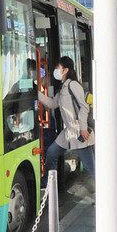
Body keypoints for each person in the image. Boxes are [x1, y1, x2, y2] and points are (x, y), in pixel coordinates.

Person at [37, 56, 95, 186]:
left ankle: (105, 196)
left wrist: (83, 127)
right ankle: (48, 183)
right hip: (69, 131)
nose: (56, 70)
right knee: (51, 152)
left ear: (66, 70)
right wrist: (36, 93)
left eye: (58, 68)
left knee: (91, 168)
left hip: (79, 132)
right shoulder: (63, 87)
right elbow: (52, 104)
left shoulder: (73, 85)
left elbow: (84, 106)